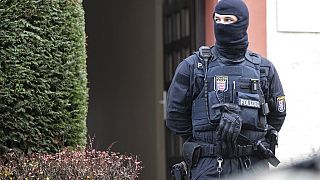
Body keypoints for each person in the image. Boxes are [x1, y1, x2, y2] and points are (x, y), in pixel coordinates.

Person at [166, 0, 286, 179]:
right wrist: (210, 139)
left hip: (252, 167)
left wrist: (250, 135)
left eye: (228, 20)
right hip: (208, 167)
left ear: (243, 22)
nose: (221, 25)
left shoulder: (263, 69)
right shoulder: (192, 67)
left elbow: (278, 114)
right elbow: (175, 117)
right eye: (217, 19)